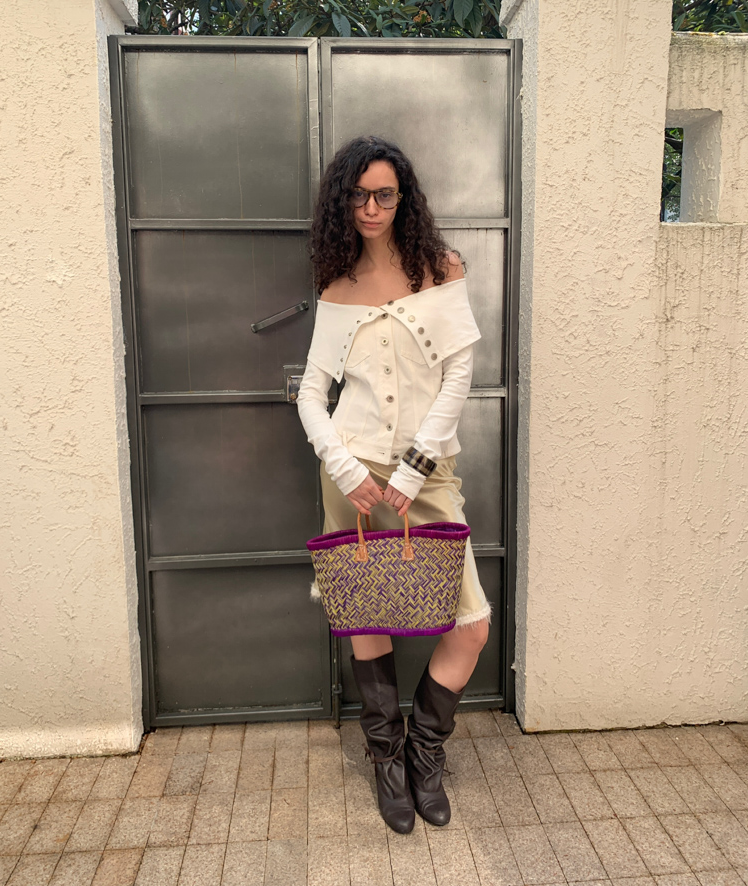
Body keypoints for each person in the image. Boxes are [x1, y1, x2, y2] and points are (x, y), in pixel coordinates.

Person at [296, 135, 491, 835]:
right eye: (358, 195)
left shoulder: (441, 269)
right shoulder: (336, 286)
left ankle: (424, 752)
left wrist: (414, 468)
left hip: (425, 474)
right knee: (366, 615)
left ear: (403, 198)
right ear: (342, 201)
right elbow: (311, 394)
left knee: (471, 625)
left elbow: (459, 376)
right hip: (350, 475)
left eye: (384, 194)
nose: (371, 207)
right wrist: (344, 466)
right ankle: (387, 759)